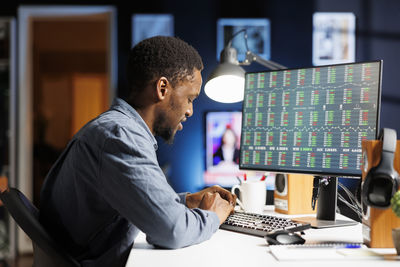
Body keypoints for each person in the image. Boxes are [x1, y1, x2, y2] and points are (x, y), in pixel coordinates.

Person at [39, 36, 236, 267]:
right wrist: (212, 216)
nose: (191, 111)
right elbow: (171, 231)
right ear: (162, 88)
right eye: (190, 98)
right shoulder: (120, 137)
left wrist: (187, 200)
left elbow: (137, 201)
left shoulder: (118, 130)